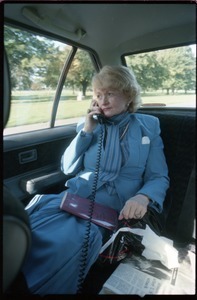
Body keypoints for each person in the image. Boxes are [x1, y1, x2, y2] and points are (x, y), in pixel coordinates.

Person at [22, 65, 169, 295]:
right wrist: (87, 132)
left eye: (110, 93)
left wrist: (143, 196)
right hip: (74, 198)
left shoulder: (147, 127)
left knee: (61, 245)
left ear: (128, 94)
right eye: (99, 95)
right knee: (28, 229)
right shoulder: (89, 125)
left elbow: (159, 176)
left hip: (110, 210)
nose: (103, 100)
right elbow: (68, 168)